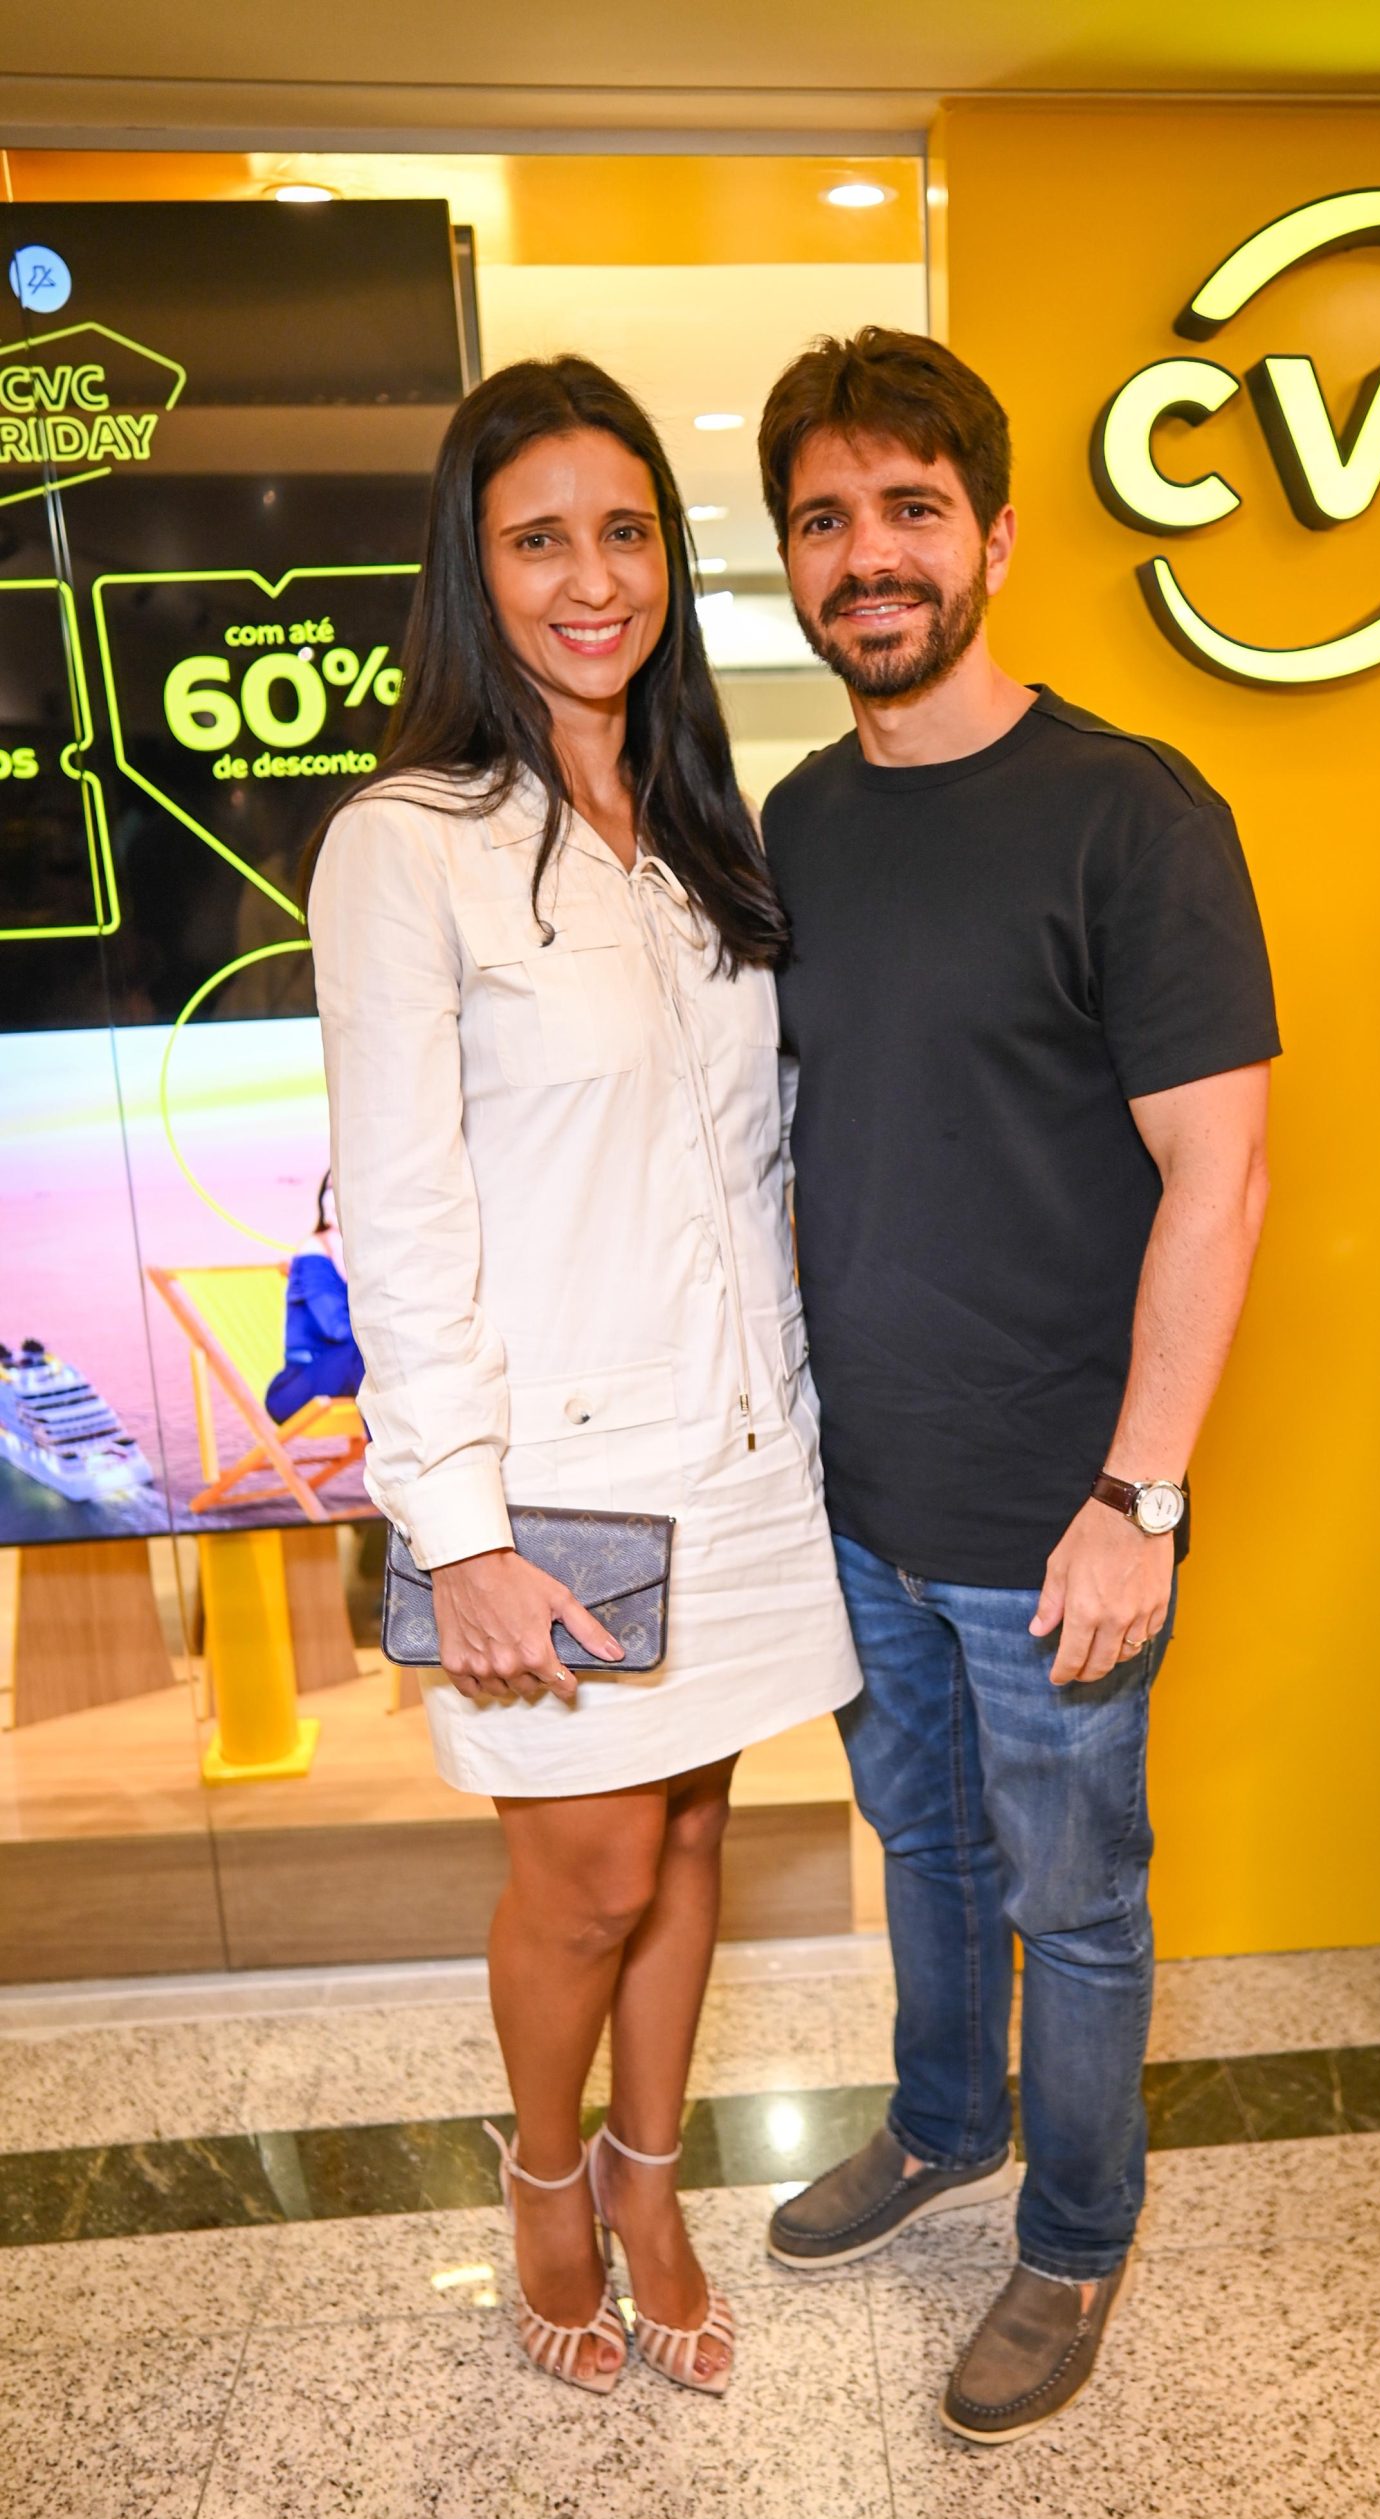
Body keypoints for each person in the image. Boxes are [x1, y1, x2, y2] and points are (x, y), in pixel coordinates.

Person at [307, 354, 860, 2399]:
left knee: (696, 1837)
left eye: (624, 531)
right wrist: (454, 1532)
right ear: (474, 572)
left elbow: (753, 1169)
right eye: (538, 540)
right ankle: (546, 2174)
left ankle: (651, 2172)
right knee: (590, 1871)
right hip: (549, 1476)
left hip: (741, 1445)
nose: (592, 577)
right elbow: (401, 1211)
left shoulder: (704, 839)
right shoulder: (407, 846)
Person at [755, 327, 1278, 2444]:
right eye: (824, 519)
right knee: (925, 1845)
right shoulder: (800, 819)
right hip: (861, 1494)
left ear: (994, 536)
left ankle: (1071, 2236)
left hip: (1063, 1512)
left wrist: (1139, 1496)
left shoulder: (1130, 814)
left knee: (1076, 1896)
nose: (866, 555)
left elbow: (1223, 1175)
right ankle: (944, 2121)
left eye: (909, 508)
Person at [264, 1172, 363, 1424]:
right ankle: (396, 1447)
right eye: (331, 1187)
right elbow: (338, 1328)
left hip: (346, 1373)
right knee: (375, 1350)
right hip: (297, 1385)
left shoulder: (362, 1251)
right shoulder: (314, 1253)